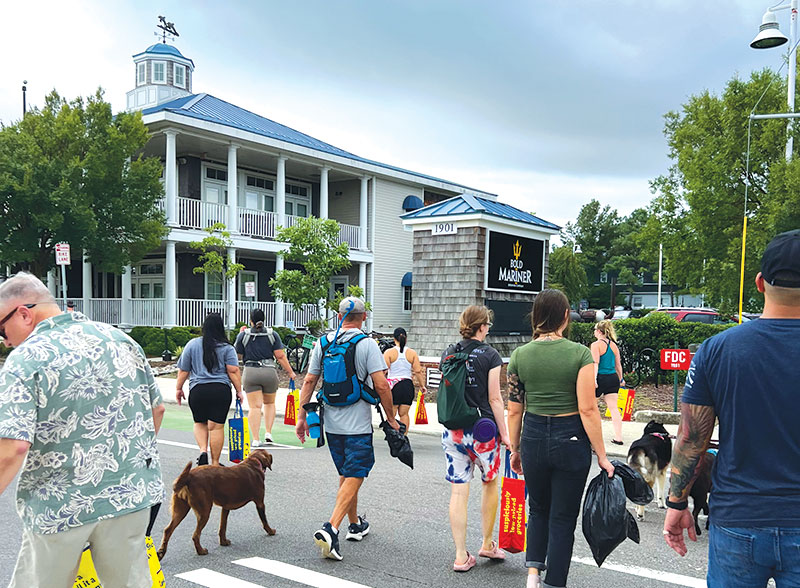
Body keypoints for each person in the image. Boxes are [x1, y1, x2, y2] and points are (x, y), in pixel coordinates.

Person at [0, 272, 165, 588]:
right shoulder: (121, 340)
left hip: (59, 505)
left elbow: (14, 446)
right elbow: (156, 409)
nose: (5, 340)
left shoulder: (26, 358)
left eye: (2, 329)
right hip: (129, 496)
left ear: (23, 313)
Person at [663, 229, 800, 587]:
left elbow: (692, 440)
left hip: (739, 518)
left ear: (759, 283)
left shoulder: (717, 350)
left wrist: (677, 504)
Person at [507, 289, 614, 588]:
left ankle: (532, 576)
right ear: (565, 316)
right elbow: (588, 408)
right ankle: (555, 582)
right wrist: (602, 455)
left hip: (533, 436)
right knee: (563, 518)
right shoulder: (578, 354)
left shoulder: (519, 355)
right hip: (571, 439)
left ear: (536, 316)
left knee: (538, 508)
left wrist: (515, 449)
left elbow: (514, 411)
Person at [295, 297, 399, 561]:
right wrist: (392, 417)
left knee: (346, 472)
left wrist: (301, 416)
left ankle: (355, 525)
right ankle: (331, 527)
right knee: (357, 472)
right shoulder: (367, 344)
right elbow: (382, 385)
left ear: (339, 315)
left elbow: (309, 379)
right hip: (358, 423)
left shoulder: (323, 343)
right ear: (363, 318)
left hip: (331, 422)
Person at [440, 305, 512, 573]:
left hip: (453, 430)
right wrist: (505, 434)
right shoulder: (490, 355)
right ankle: (487, 543)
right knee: (489, 483)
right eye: (488, 325)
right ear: (482, 327)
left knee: (459, 490)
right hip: (483, 431)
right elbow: (495, 397)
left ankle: (461, 556)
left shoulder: (449, 352)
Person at [176, 312, 243, 466]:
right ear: (221, 328)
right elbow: (233, 371)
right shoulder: (227, 348)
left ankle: (203, 451)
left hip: (198, 391)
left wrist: (178, 389)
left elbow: (183, 371)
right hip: (220, 391)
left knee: (200, 423)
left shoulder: (192, 344)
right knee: (216, 427)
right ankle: (215, 463)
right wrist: (239, 391)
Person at [234, 308, 297, 446]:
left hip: (251, 372)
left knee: (255, 407)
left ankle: (256, 439)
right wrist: (290, 372)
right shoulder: (272, 334)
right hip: (269, 372)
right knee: (269, 403)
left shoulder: (243, 335)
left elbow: (237, 356)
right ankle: (268, 433)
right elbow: (280, 356)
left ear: (250, 320)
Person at [383, 327, 426, 431]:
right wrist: (422, 386)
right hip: (407, 385)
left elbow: (384, 371)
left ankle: (393, 437)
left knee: (391, 415)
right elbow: (418, 371)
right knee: (404, 414)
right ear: (406, 339)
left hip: (394, 385)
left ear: (394, 339)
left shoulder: (389, 352)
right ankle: (403, 437)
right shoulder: (412, 353)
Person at [590, 319, 625, 445]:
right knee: (614, 408)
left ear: (599, 331)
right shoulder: (613, 345)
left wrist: (593, 380)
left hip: (601, 377)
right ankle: (618, 437)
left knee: (592, 408)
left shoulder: (596, 345)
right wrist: (621, 379)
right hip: (613, 378)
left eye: (594, 330)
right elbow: (618, 365)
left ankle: (594, 435)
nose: (594, 332)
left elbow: (595, 363)